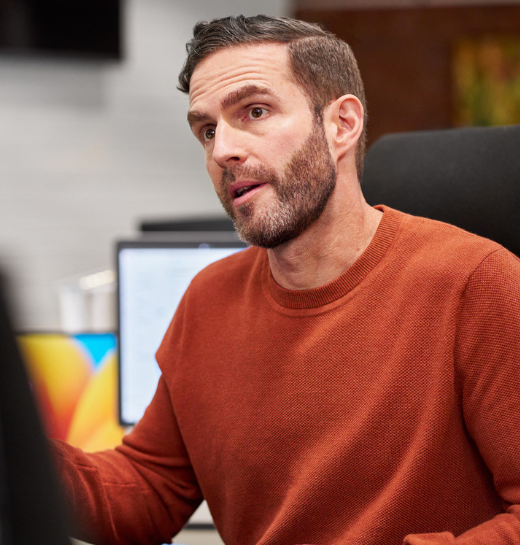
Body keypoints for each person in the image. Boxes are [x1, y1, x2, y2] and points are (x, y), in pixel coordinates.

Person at [51, 15, 520, 545]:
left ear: (342, 124)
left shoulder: (477, 283)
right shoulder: (209, 299)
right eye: (207, 129)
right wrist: (7, 451)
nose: (222, 150)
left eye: (254, 111)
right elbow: (149, 487)